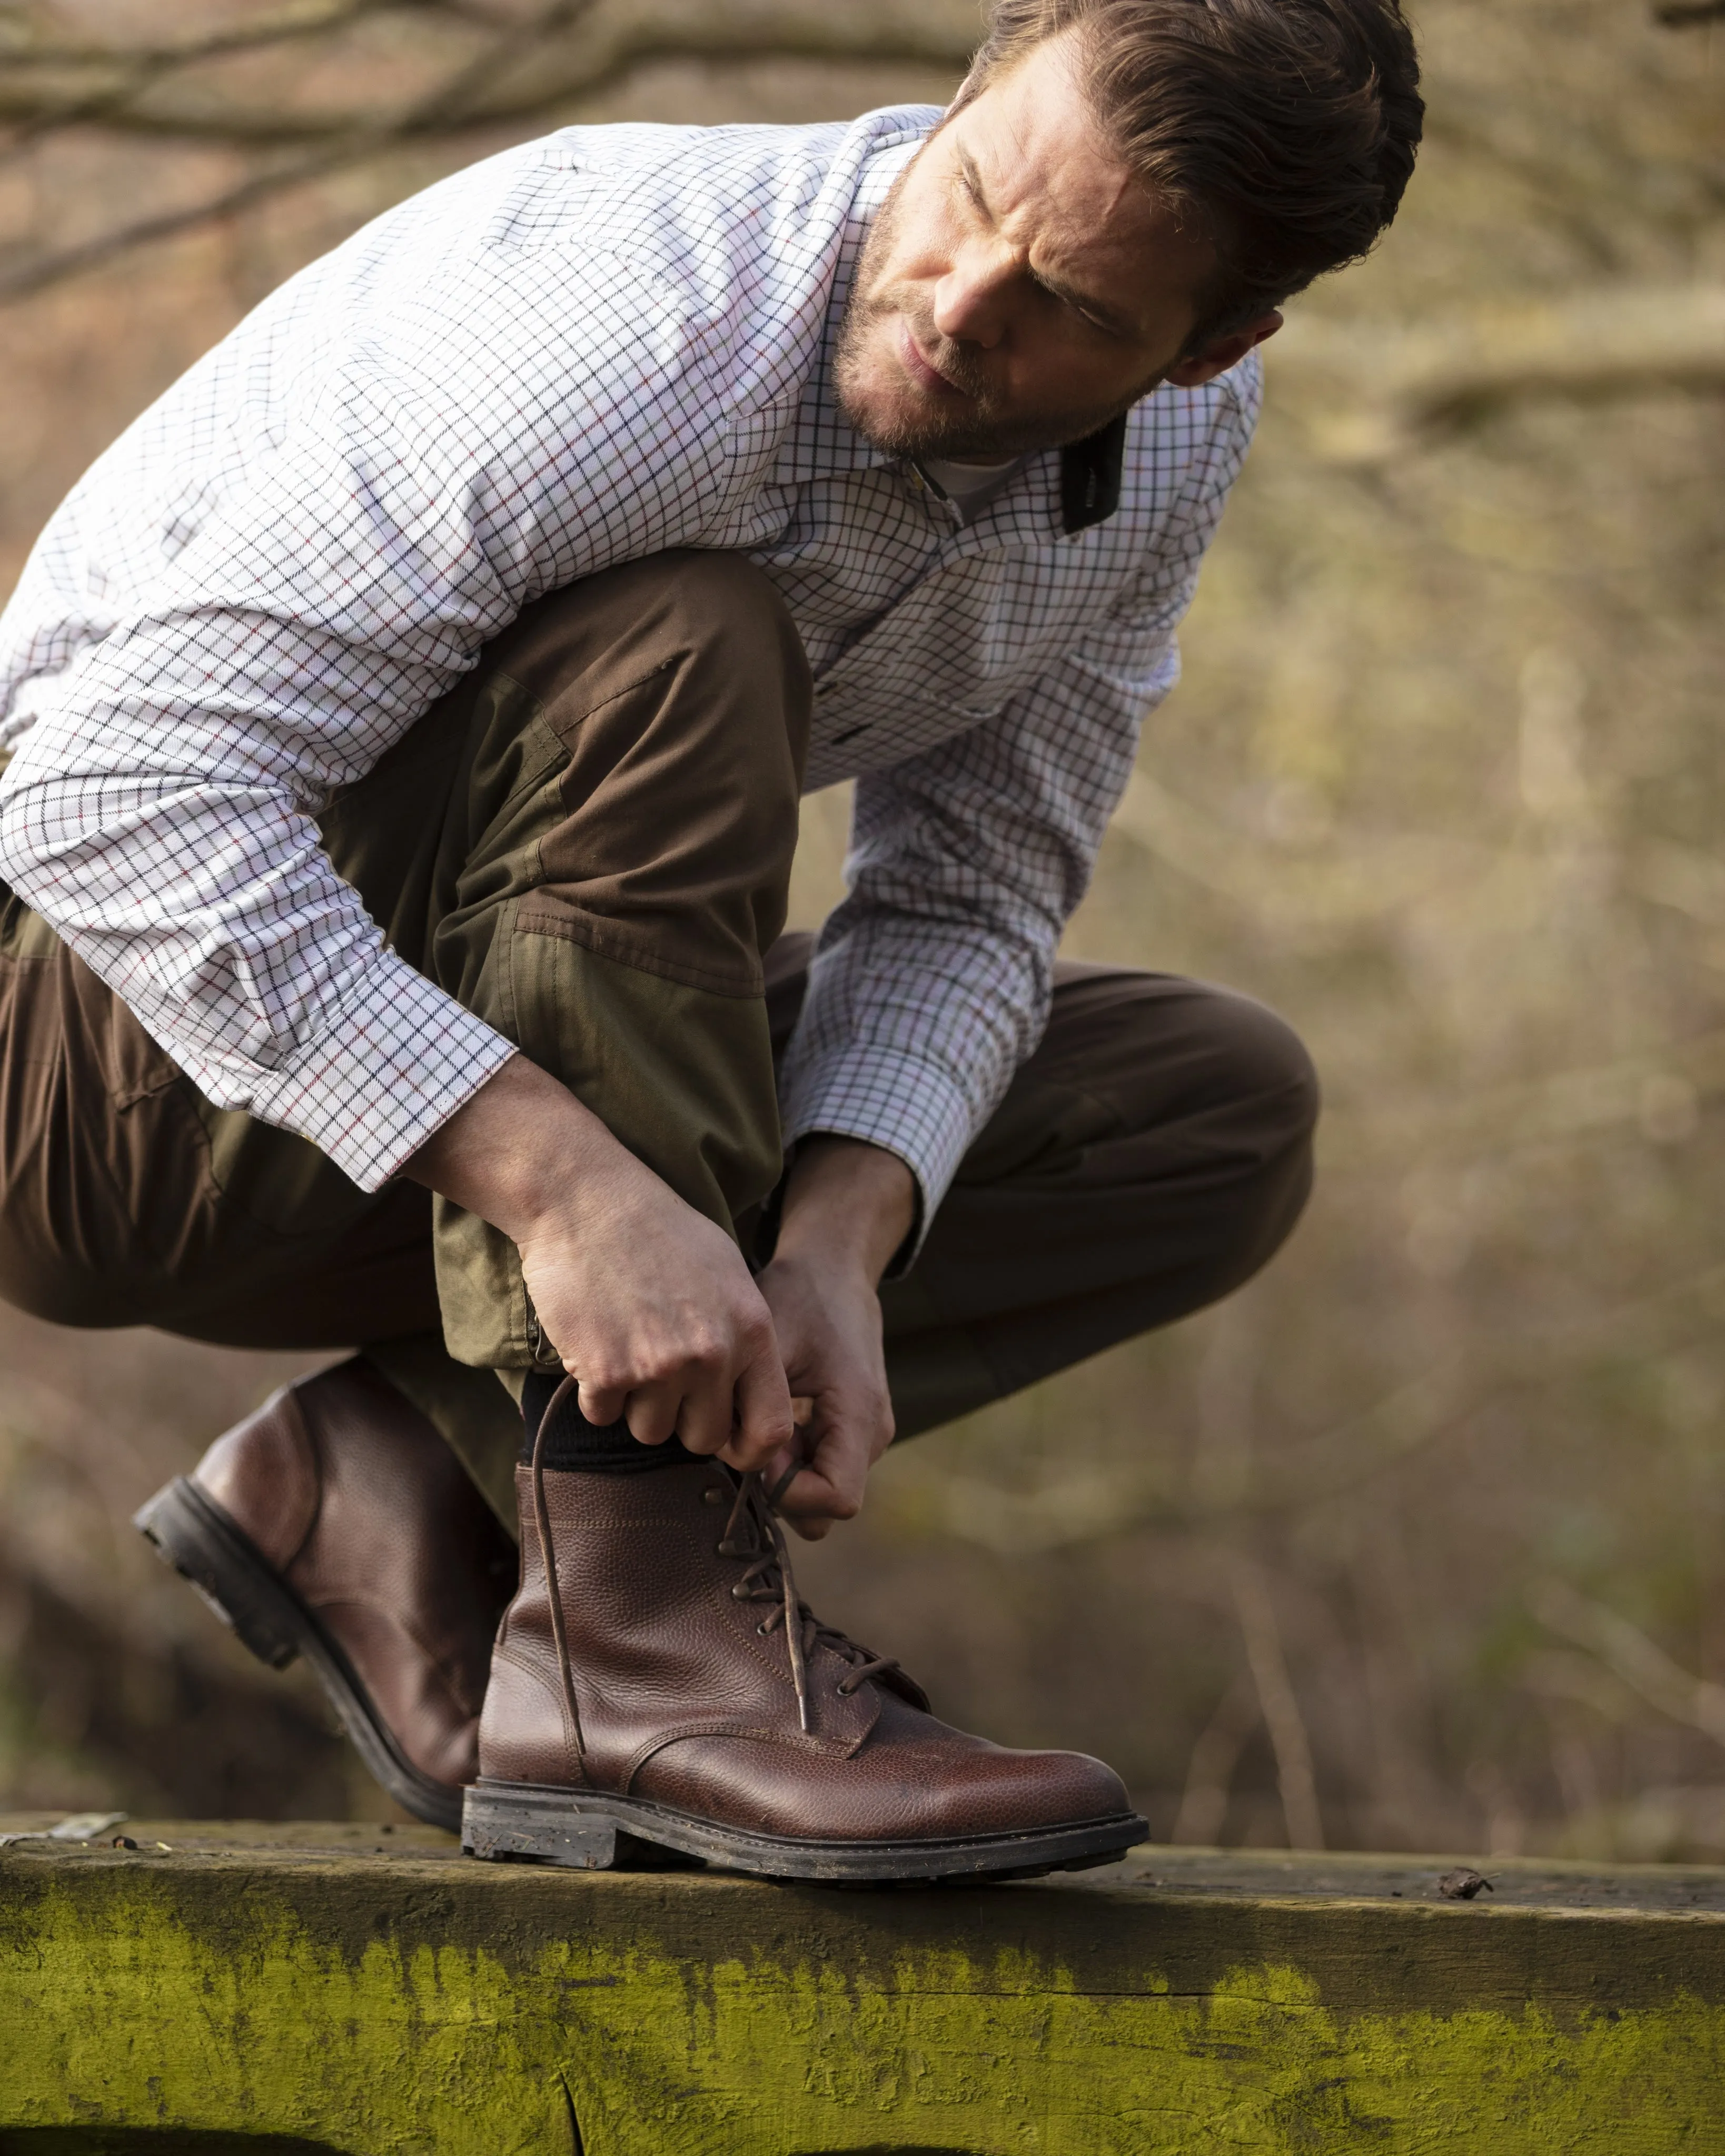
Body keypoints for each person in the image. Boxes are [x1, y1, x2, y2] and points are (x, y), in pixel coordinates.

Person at [0, 0, 1420, 1879]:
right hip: (87, 1065)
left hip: (402, 1084)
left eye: (1071, 304)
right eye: (974, 193)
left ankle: (391, 1479)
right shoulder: (614, 321)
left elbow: (971, 885)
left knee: (1205, 1107)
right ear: (978, 81)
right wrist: (570, 1191)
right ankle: (639, 1624)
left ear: (1208, 347)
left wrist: (836, 1236)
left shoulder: (1170, 452)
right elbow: (107, 799)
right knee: (682, 641)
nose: (959, 302)